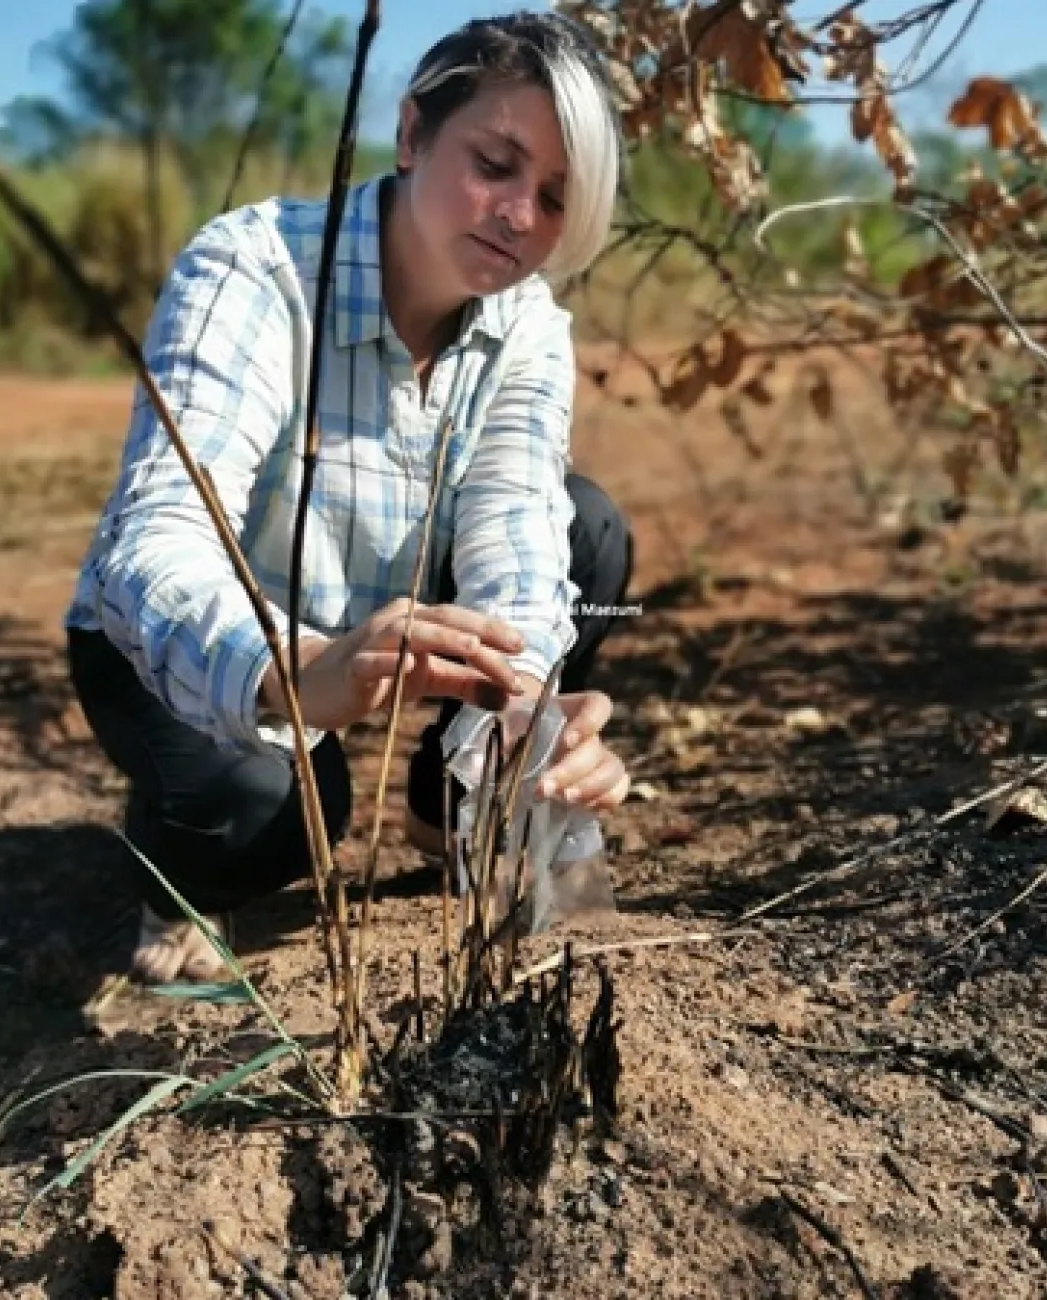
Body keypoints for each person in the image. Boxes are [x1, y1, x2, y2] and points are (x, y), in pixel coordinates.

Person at [64, 12, 635, 984]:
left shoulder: (528, 326)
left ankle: (443, 802)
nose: (517, 215)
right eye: (495, 163)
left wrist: (526, 714)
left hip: (383, 635)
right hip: (209, 648)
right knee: (279, 809)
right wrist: (303, 669)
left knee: (587, 531)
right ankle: (183, 871)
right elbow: (155, 539)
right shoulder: (256, 267)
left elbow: (517, 532)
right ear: (412, 134)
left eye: (553, 198)